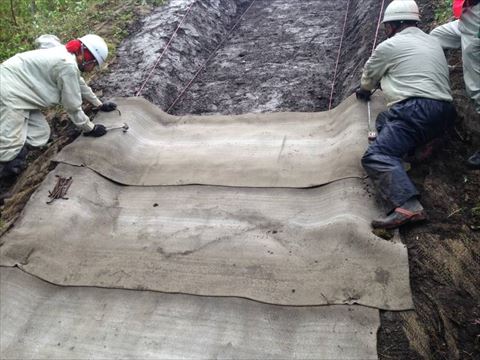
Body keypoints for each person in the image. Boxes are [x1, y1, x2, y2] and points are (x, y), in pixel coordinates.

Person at [356, 0, 456, 229]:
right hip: (444, 112)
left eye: (386, 27)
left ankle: (407, 206)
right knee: (383, 119)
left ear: (392, 26)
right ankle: (421, 146)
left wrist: (363, 91)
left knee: (376, 155)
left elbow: (368, 78)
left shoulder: (389, 46)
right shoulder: (432, 41)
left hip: (415, 111)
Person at [0, 34, 117, 179]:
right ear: (85, 56)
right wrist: (90, 128)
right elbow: (72, 106)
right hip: (8, 93)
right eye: (94, 64)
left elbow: (80, 84)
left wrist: (99, 105)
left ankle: (11, 141)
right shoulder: (66, 65)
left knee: (40, 134)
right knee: (9, 150)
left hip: (21, 93)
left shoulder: (67, 56)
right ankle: (6, 174)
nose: (92, 69)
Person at [430, 0, 480, 169]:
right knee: (436, 37)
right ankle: (436, 86)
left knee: (475, 88)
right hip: (468, 16)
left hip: (476, 22)